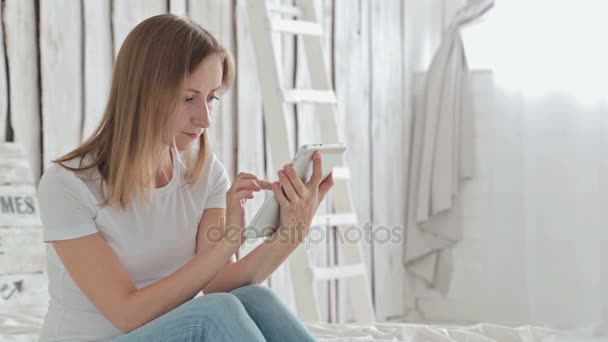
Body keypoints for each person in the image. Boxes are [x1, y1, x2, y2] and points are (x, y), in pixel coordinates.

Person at [36, 14, 333, 341]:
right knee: (215, 313)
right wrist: (227, 243)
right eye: (188, 98)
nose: (204, 118)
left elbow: (218, 282)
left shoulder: (205, 173)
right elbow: (126, 314)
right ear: (142, 92)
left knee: (253, 299)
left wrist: (292, 231)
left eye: (211, 98)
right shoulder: (67, 185)